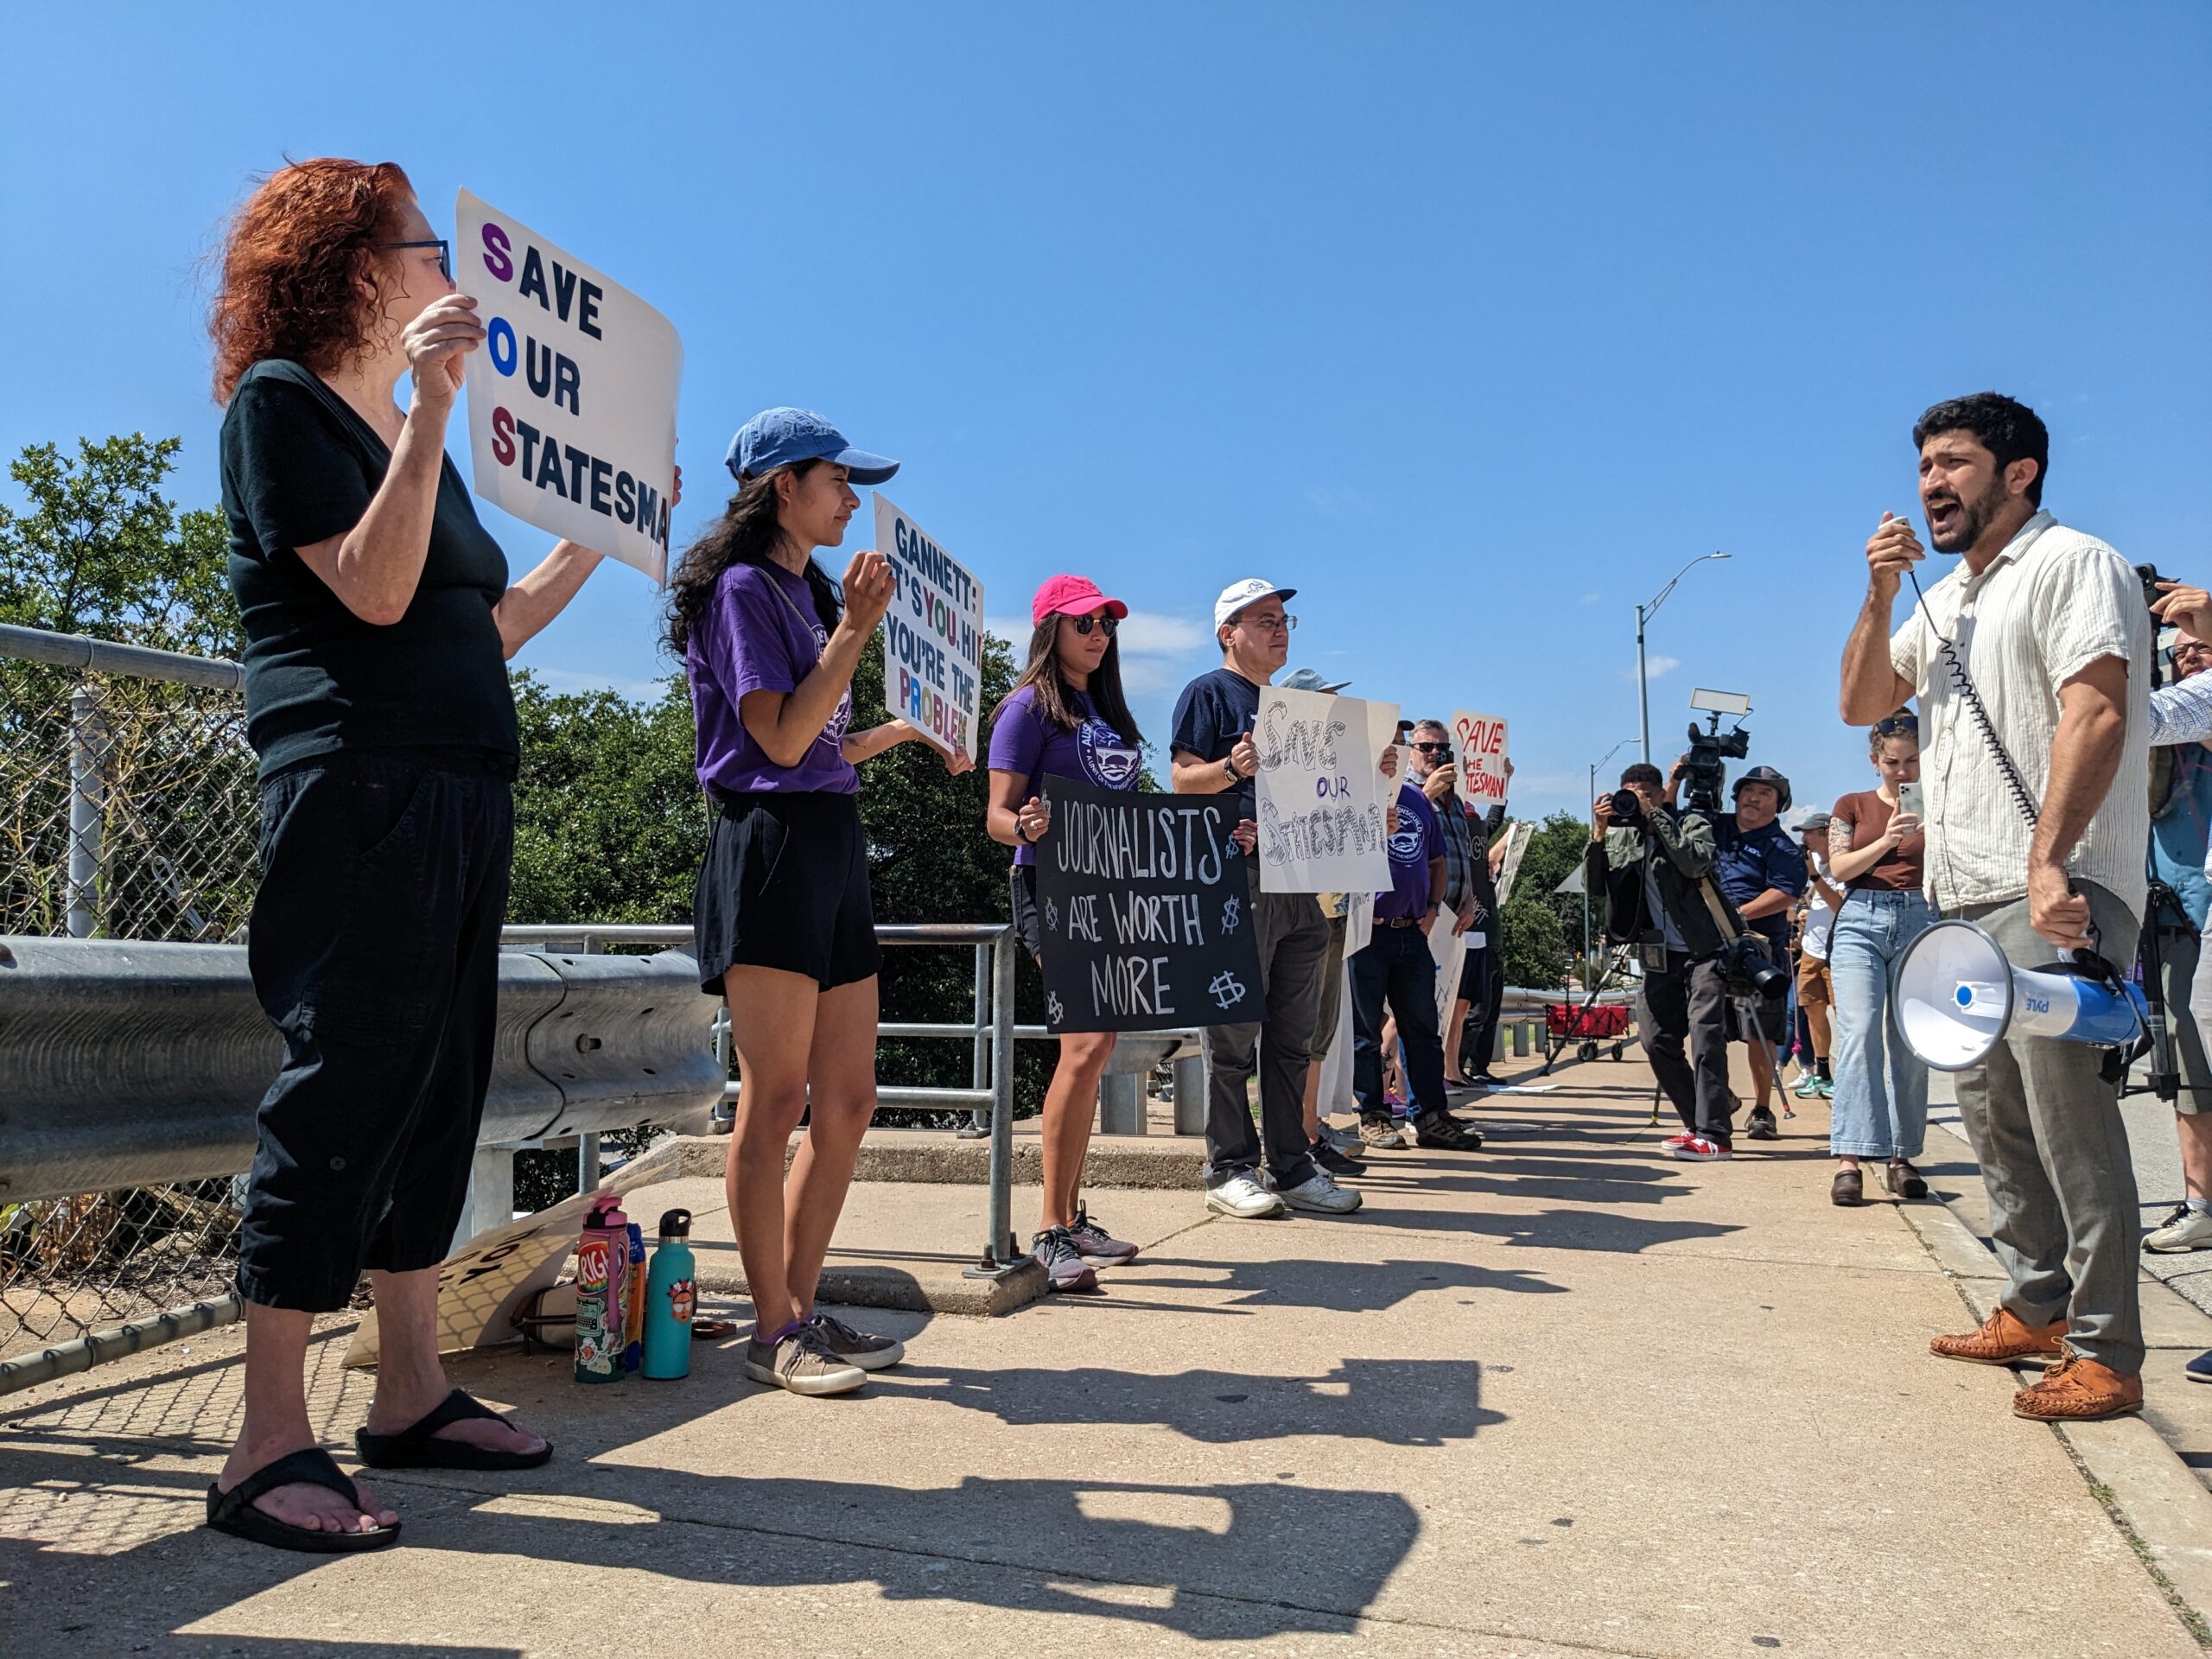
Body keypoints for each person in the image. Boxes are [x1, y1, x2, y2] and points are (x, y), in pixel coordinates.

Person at [207, 158, 626, 1549]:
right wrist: (436, 407)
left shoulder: (399, 430)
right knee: (346, 1088)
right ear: (355, 265)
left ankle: (409, 1391)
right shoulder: (284, 407)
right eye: (425, 244)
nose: (452, 267)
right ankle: (268, 1441)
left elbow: (478, 626)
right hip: (361, 786)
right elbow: (375, 593)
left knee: (436, 1095)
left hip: (457, 785)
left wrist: (595, 535)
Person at [1841, 391, 2150, 1423]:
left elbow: (2096, 709)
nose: (1930, 481)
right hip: (1959, 895)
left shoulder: (2074, 564)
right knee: (1993, 1123)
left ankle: (2107, 1349)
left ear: (2018, 474)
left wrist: (2050, 861)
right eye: (1924, 463)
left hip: (2048, 885)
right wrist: (1881, 595)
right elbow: (1855, 704)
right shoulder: (1947, 599)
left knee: (2071, 1124)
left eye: (1955, 462)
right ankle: (2034, 1304)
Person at [671, 406, 967, 1397]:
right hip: (768, 845)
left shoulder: (800, 593)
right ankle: (771, 1328)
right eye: (838, 481)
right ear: (781, 487)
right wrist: (853, 629)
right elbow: (782, 745)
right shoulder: (748, 588)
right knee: (778, 1098)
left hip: (830, 844)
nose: (852, 499)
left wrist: (909, 733)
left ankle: (793, 1313)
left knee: (847, 1100)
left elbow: (825, 745)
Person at [1170, 580, 1360, 1217]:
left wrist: (1366, 810)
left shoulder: (1289, 704)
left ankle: (1292, 1164)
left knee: (1292, 1035)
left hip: (1303, 882)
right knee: (1232, 1036)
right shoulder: (1209, 693)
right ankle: (1228, 1168)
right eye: (1266, 620)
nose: (1281, 630)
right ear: (1229, 632)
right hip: (1239, 881)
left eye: (1285, 620)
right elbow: (1182, 780)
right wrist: (1233, 771)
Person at [985, 574, 1150, 1290]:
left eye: (1106, 625)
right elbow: (996, 815)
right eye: (1085, 623)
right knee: (1081, 1045)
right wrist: (1023, 824)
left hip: (1110, 891)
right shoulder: (1025, 708)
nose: (1099, 636)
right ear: (1050, 627)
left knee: (1100, 1045)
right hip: (1051, 887)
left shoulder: (1103, 710)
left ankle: (1073, 1214)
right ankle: (1051, 1230)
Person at [1586, 761, 1738, 1160]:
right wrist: (1600, 833)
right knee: (1656, 1040)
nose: (1636, 804)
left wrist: (1657, 817)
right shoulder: (1624, 838)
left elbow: (1694, 862)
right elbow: (1594, 885)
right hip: (1659, 954)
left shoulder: (1690, 824)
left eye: (1646, 796)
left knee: (1706, 1037)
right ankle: (1698, 1122)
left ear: (1660, 795)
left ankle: (1715, 1134)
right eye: (1630, 796)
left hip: (1705, 949)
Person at [1824, 716, 1936, 1206]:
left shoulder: (1938, 800)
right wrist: (1888, 838)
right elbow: (1840, 867)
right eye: (1893, 761)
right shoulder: (1853, 804)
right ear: (1876, 760)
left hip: (1921, 915)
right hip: (1860, 917)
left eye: (1912, 760)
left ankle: (1901, 1155)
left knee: (1910, 1041)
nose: (1902, 771)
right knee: (1860, 1032)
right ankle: (1851, 1158)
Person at [1348, 765, 1486, 1151]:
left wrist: (1431, 908)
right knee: (1366, 1032)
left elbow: (1437, 862)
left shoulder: (1416, 800)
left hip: (1411, 930)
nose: (1396, 752)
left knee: (1423, 1030)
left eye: (1402, 742)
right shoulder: (1351, 792)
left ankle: (1429, 1116)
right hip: (1367, 933)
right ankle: (1373, 1115)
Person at [2138, 614, 2212, 1253]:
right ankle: (2199, 1203)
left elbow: (2149, 713)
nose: (2187, 655)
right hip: (2170, 911)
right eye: (2179, 647)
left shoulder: (2201, 707)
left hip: (2203, 914)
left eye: (2201, 644)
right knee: (2189, 1069)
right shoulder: (2171, 727)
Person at [1282, 668, 1371, 1174]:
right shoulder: (1285, 764)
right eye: (1324, 705)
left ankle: (1308, 1130)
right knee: (1298, 1027)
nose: (1334, 714)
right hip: (1300, 906)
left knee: (1320, 1027)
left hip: (1334, 906)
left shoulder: (1341, 768)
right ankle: (1296, 1135)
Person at [1700, 765, 1807, 1140]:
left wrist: (1738, 916)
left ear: (1779, 804)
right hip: (1707, 947)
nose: (1754, 798)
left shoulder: (1784, 848)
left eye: (1766, 793)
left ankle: (1762, 1109)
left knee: (1759, 1035)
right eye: (1749, 790)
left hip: (1757, 951)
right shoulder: (1715, 827)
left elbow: (1786, 893)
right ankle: (1719, 1097)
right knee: (1702, 1029)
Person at [1791, 811, 1839, 1103]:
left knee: (1844, 1017)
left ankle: (1848, 1075)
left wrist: (1814, 875)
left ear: (1825, 832)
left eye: (1809, 832)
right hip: (1812, 949)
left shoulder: (1843, 863)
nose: (1803, 838)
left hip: (1837, 951)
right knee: (1812, 1011)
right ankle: (1822, 1073)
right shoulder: (1815, 864)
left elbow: (1838, 902)